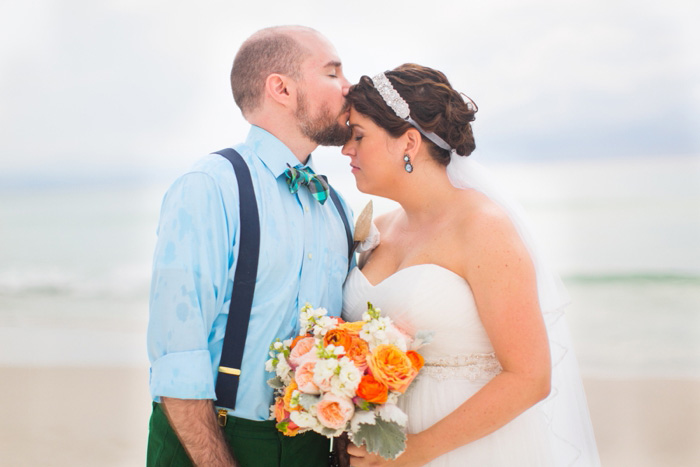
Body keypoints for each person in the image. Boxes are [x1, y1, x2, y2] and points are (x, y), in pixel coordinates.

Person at [340, 64, 600, 466]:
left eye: (358, 136)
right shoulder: (377, 229)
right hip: (381, 444)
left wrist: (414, 452)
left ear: (408, 141)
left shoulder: (483, 229)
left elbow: (530, 378)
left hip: (466, 449)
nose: (346, 150)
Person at [146, 26, 353, 467]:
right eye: (334, 73)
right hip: (209, 441)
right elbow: (178, 355)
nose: (349, 87)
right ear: (281, 87)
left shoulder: (335, 206)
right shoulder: (209, 187)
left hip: (311, 445)